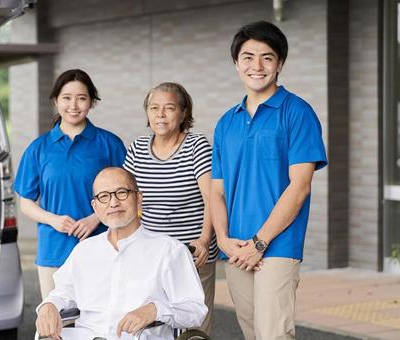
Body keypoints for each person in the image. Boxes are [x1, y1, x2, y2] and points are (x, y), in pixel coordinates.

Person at [210, 21, 328, 339]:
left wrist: (260, 242)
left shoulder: (297, 113)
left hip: (277, 246)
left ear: (280, 64)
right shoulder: (225, 123)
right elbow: (216, 191)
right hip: (235, 246)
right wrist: (222, 237)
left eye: (267, 57)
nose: (257, 66)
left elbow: (300, 186)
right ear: (236, 63)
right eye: (248, 57)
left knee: (273, 333)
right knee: (251, 332)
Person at [35, 167, 207, 340]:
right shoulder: (83, 251)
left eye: (122, 192)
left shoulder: (169, 251)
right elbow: (62, 293)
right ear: (95, 206)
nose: (113, 203)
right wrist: (49, 305)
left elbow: (195, 310)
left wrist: (155, 310)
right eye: (104, 196)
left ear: (139, 198)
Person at [14, 69, 126, 298]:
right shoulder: (39, 148)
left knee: (101, 324)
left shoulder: (109, 144)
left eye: (81, 98)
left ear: (92, 102)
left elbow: (128, 195)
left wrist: (96, 218)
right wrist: (53, 220)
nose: (73, 105)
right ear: (56, 100)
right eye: (66, 97)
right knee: (57, 326)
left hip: (102, 247)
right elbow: (26, 203)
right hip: (53, 251)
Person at [124, 82, 216, 334]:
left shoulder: (197, 146)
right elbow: (129, 199)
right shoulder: (137, 149)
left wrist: (204, 240)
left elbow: (212, 199)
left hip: (192, 253)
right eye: (154, 108)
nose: (160, 115)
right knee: (153, 326)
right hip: (152, 255)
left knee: (192, 328)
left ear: (184, 113)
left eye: (169, 108)